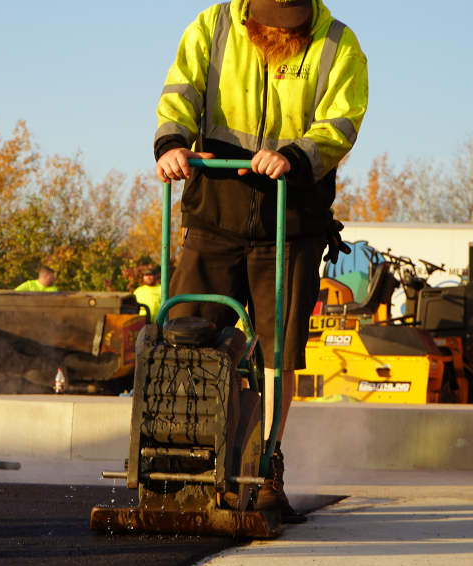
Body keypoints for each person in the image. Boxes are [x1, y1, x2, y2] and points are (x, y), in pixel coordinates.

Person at [154, 0, 367, 522]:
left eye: (287, 21)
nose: (277, 30)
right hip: (214, 214)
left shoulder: (339, 44)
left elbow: (340, 123)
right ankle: (179, 460)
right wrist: (172, 143)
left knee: (278, 352)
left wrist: (295, 155)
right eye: (270, 18)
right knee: (185, 335)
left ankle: (266, 463)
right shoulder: (213, 25)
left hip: (290, 221)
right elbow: (181, 92)